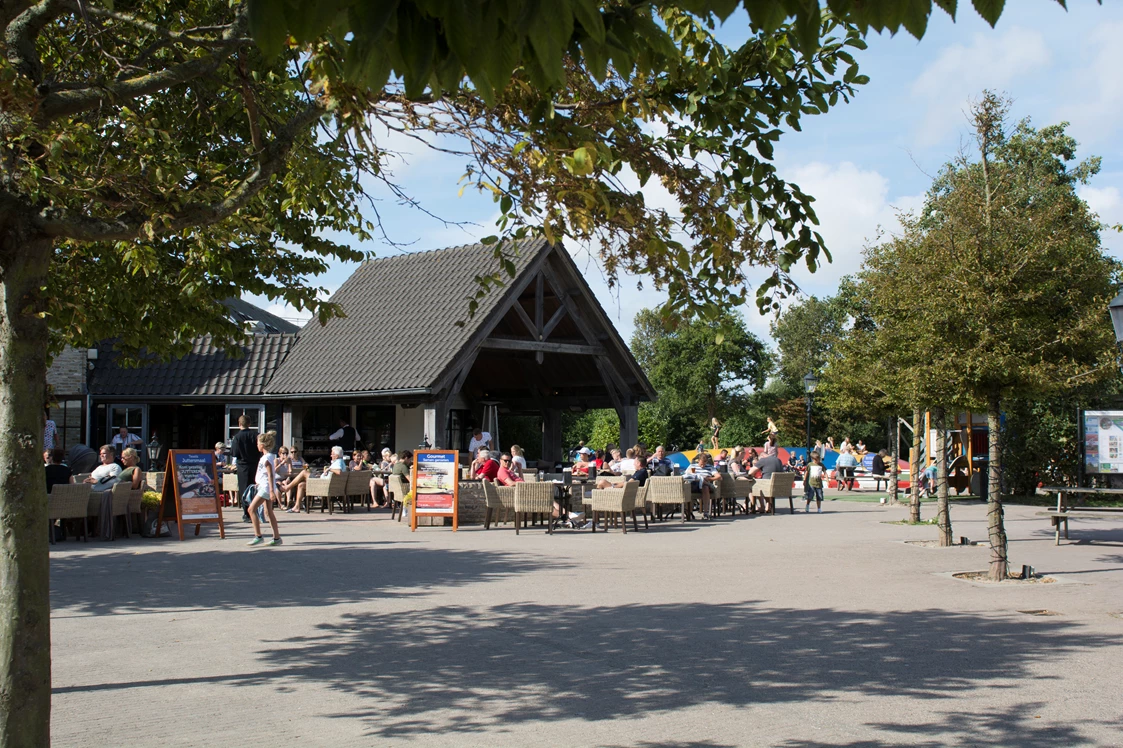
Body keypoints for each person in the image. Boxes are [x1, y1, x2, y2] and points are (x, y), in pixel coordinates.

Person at [246, 431, 282, 547]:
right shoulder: (268, 457)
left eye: (258, 443)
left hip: (266, 488)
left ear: (262, 445)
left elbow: (270, 474)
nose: (257, 445)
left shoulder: (266, 458)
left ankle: (258, 536)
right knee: (268, 512)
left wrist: (272, 490)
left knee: (251, 509)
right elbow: (264, 474)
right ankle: (276, 537)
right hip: (264, 486)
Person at [231, 415, 258, 522]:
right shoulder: (255, 435)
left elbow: (234, 453)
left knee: (244, 490)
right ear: (249, 424)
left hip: (242, 466)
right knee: (254, 489)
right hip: (255, 465)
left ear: (239, 424)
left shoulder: (237, 437)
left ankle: (247, 513)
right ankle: (255, 511)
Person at [687, 452, 720, 520]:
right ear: (698, 461)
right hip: (694, 484)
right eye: (701, 464)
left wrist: (709, 478)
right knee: (687, 487)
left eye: (704, 464)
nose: (702, 466)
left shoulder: (710, 467)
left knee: (705, 487)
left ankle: (705, 512)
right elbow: (687, 474)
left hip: (705, 486)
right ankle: (689, 511)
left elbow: (719, 477)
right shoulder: (693, 466)